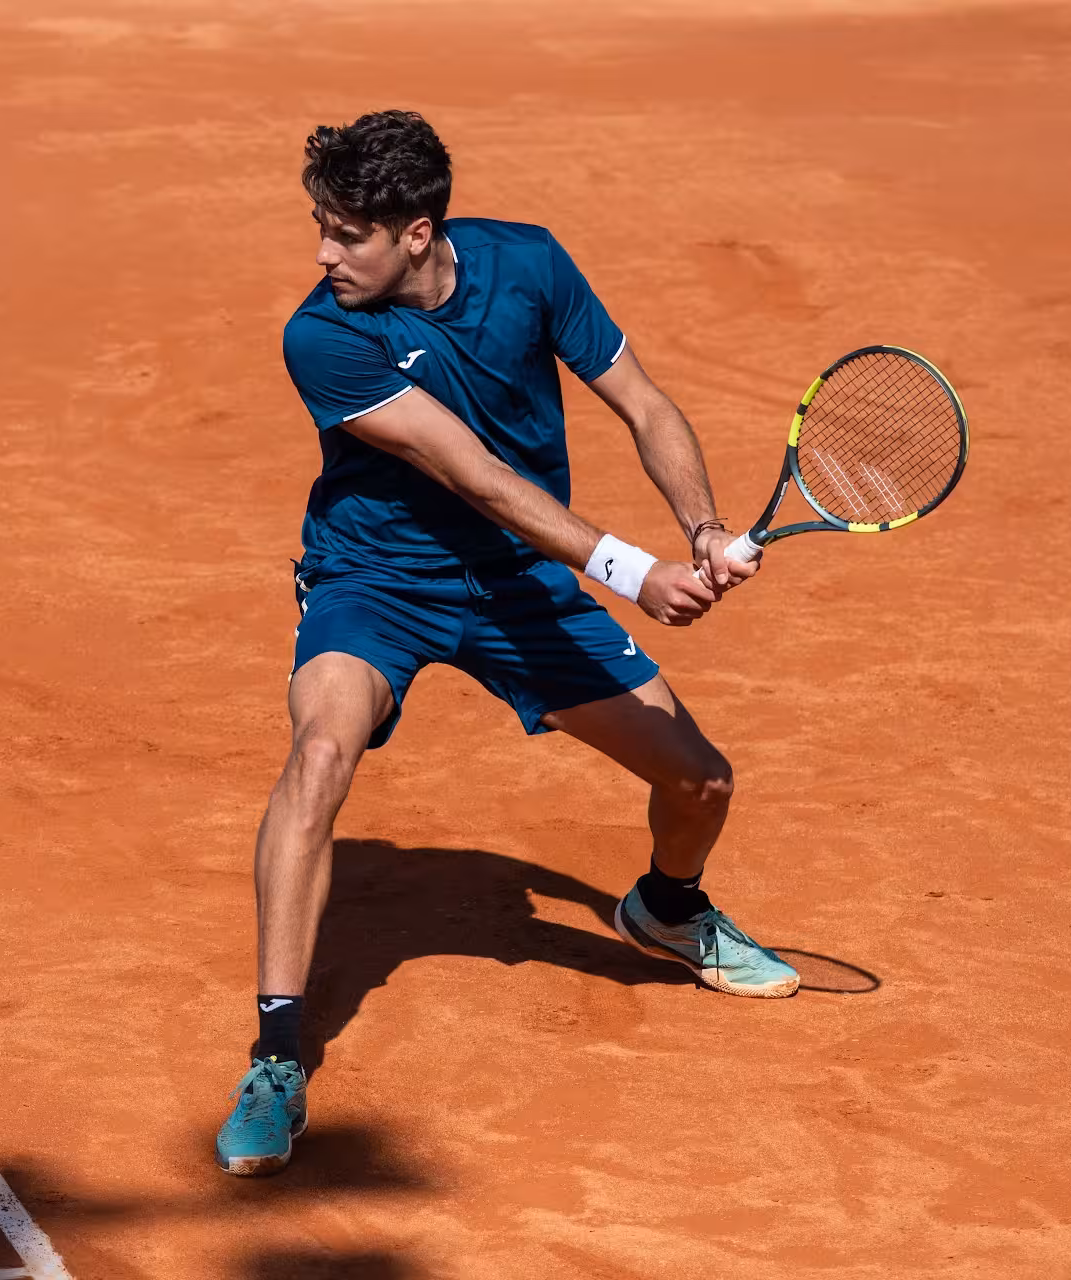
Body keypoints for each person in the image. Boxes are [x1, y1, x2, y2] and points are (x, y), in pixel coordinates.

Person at [215, 110, 799, 1177]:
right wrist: (635, 570)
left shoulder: (528, 263)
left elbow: (643, 401)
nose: (322, 256)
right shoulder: (323, 335)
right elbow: (476, 477)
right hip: (376, 578)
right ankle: (276, 1051)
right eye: (320, 228)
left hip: (520, 588)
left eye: (347, 235)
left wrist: (705, 529)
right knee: (320, 754)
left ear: (420, 232)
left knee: (702, 782)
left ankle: (666, 909)